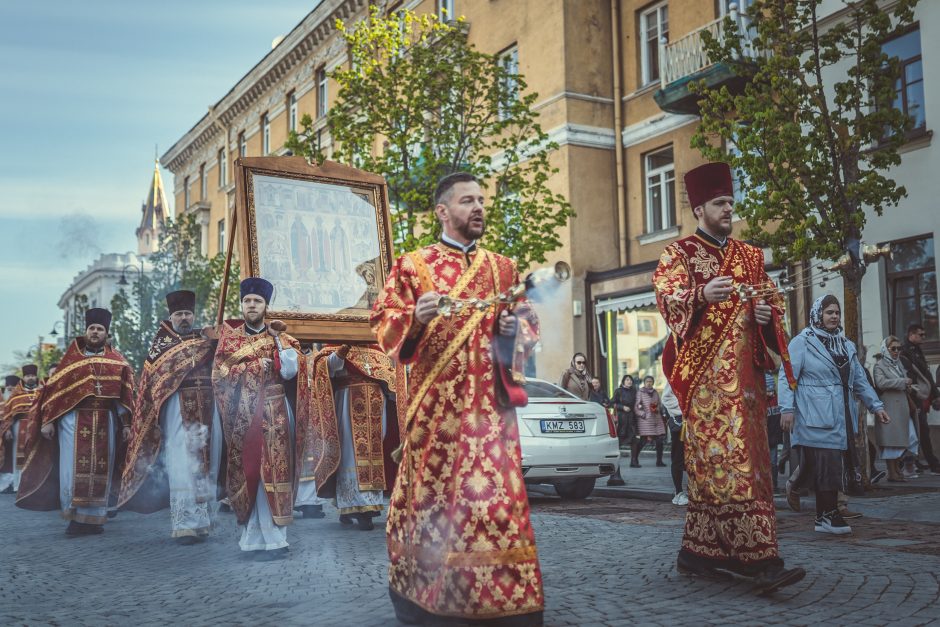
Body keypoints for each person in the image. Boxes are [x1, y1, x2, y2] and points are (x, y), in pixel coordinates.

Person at [371, 172, 544, 625]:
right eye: (468, 201)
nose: (479, 207)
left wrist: (513, 333)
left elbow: (528, 326)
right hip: (437, 418)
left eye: (482, 199)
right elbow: (384, 327)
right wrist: (416, 316)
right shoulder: (413, 265)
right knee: (435, 506)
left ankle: (506, 603)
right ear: (443, 212)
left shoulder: (503, 268)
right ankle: (426, 596)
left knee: (496, 506)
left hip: (491, 417)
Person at [653, 161, 804, 593]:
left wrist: (764, 317)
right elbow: (667, 297)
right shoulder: (679, 253)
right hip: (705, 389)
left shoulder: (751, 256)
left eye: (731, 203)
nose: (728, 210)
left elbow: (775, 307)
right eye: (720, 203)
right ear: (699, 207)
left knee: (752, 468)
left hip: (750, 389)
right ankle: (761, 562)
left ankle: (698, 553)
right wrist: (701, 293)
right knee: (724, 468)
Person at [16, 308, 135, 536]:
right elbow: (54, 393)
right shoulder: (71, 360)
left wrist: (127, 424)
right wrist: (48, 421)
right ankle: (75, 517)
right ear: (85, 331)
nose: (95, 332)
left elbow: (124, 396)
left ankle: (95, 520)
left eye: (100, 329)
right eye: (92, 328)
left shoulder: (118, 362)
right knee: (72, 469)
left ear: (106, 334)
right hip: (73, 420)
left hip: (105, 420)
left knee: (103, 469)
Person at [778, 295, 890, 536]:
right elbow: (787, 376)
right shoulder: (802, 342)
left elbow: (859, 380)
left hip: (841, 414)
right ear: (818, 314)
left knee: (825, 464)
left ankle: (808, 498)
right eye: (829, 312)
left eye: (837, 312)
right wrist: (786, 409)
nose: (834, 316)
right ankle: (827, 515)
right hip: (812, 412)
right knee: (827, 464)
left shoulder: (845, 345)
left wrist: (876, 406)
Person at [118, 290, 223, 543]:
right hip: (177, 409)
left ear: (194, 315)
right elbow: (153, 384)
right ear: (171, 317)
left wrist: (218, 340)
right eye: (179, 314)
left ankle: (203, 521)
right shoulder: (161, 346)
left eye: (188, 313)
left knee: (209, 461)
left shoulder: (206, 340)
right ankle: (185, 523)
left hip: (208, 407)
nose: (184, 318)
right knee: (183, 463)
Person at [212, 277, 302, 560]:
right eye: (247, 301)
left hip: (276, 410)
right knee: (252, 473)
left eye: (257, 301)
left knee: (277, 471)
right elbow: (219, 376)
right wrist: (254, 367)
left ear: (266, 305)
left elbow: (290, 371)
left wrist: (276, 340)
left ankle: (276, 539)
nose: (252, 305)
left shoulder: (282, 337)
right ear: (242, 304)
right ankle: (252, 540)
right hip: (243, 416)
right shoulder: (230, 339)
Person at [297, 343, 400, 531]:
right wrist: (341, 352)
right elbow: (326, 368)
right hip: (347, 400)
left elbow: (389, 377)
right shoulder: (333, 345)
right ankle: (357, 509)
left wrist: (394, 391)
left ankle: (367, 505)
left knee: (374, 454)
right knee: (349, 453)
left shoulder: (378, 349)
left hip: (376, 403)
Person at [873, 335, 919, 482]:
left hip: (902, 408)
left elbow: (900, 383)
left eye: (899, 348)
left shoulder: (898, 363)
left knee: (905, 438)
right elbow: (880, 383)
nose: (896, 351)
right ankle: (892, 472)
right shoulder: (879, 365)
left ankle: (897, 470)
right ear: (885, 349)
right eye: (893, 348)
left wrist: (908, 386)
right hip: (889, 408)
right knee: (890, 441)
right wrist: (902, 381)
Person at [899, 323, 940, 475]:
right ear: (911, 335)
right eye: (920, 334)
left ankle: (917, 462)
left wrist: (935, 395)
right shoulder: (906, 352)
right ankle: (931, 463)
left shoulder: (916, 350)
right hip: (913, 397)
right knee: (920, 429)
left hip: (919, 396)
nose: (924, 337)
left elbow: (926, 375)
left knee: (920, 429)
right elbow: (915, 376)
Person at [1, 366, 42, 494]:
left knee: (37, 455)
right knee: (18, 456)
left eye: (32, 375)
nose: (30, 378)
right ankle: (18, 485)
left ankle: (35, 485)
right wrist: (7, 429)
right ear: (23, 378)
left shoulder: (42, 391)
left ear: (36, 376)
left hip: (38, 426)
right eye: (27, 376)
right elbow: (8, 412)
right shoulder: (16, 394)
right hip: (19, 427)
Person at [660, 382, 686, 505]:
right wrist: (682, 408)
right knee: (678, 457)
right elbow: (666, 397)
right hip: (681, 421)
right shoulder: (676, 373)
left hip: (697, 421)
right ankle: (679, 492)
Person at [633, 376, 666, 468]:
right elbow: (636, 406)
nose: (649, 383)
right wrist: (643, 414)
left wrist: (657, 409)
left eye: (651, 381)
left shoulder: (655, 392)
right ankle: (634, 459)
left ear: (653, 382)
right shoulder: (640, 392)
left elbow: (659, 404)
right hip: (645, 420)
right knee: (643, 441)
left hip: (656, 419)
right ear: (644, 382)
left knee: (660, 440)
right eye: (647, 381)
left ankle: (659, 461)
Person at [0, 375, 20, 492]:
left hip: (17, 431)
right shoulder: (2, 396)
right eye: (8, 385)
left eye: (13, 386)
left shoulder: (20, 397)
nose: (10, 388)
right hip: (3, 433)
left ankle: (13, 482)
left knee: (14, 458)